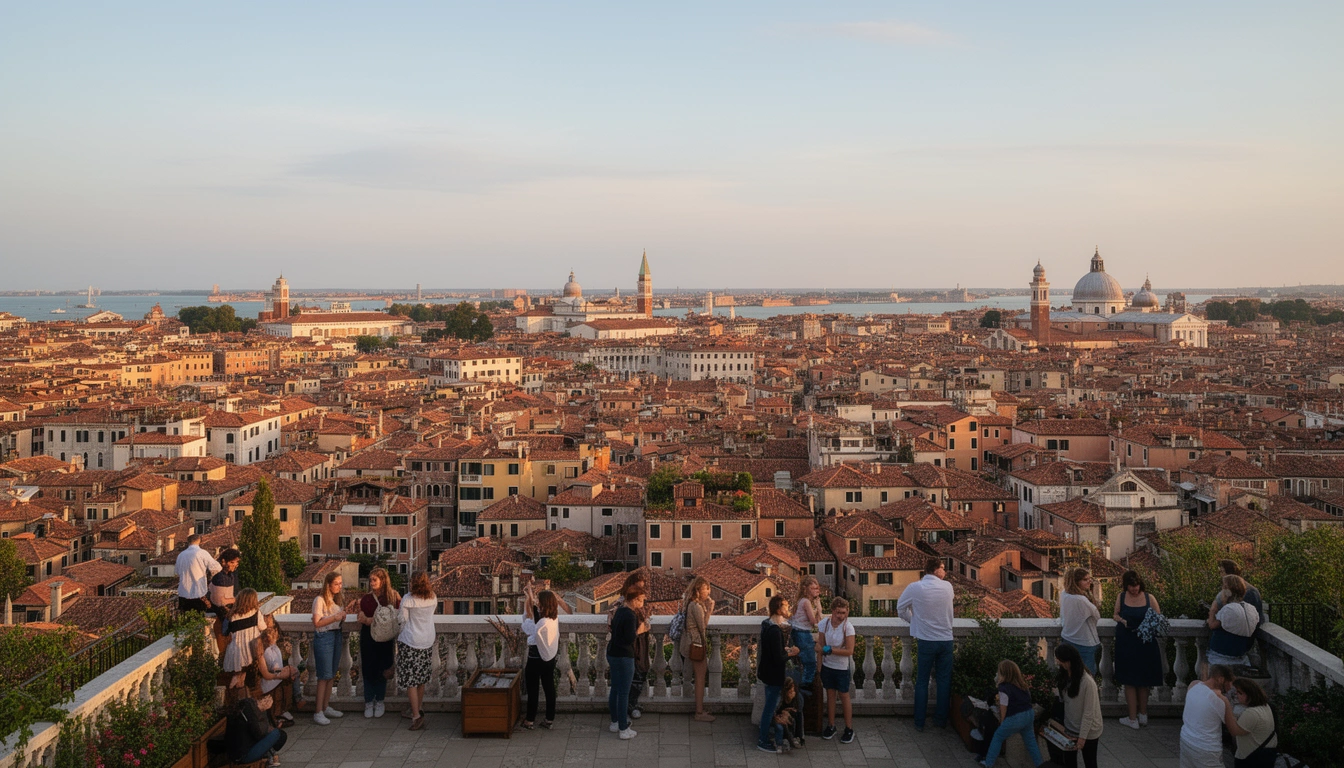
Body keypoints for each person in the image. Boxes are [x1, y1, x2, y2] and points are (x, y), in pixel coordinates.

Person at [898, 557, 955, 732]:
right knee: (944, 681)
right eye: (943, 568)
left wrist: (914, 620)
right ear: (935, 570)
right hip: (946, 640)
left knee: (922, 681)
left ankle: (920, 721)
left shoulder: (915, 587)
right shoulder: (948, 587)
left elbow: (900, 608)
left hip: (926, 640)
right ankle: (940, 720)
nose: (945, 572)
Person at [1112, 570, 1163, 729]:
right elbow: (1115, 615)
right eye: (1131, 586)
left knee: (1143, 681)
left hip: (1145, 643)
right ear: (1126, 585)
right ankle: (1134, 717)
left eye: (1136, 586)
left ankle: (1142, 715)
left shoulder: (1150, 598)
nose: (1134, 589)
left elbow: (1158, 617)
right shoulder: (1121, 597)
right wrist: (1123, 621)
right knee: (1129, 681)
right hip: (1127, 642)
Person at [979, 660, 1044, 768]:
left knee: (998, 736)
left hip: (1015, 717)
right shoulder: (1023, 685)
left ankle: (988, 763)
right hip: (1028, 714)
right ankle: (1040, 765)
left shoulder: (1004, 688)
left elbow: (1003, 707)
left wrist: (1002, 722)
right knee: (1031, 743)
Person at [757, 595, 801, 754]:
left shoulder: (767, 626)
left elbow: (774, 652)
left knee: (769, 706)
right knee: (770, 708)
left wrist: (786, 651)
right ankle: (762, 740)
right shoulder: (776, 630)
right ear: (778, 608)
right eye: (785, 605)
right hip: (774, 674)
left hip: (766, 672)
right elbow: (779, 658)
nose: (787, 608)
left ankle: (765, 736)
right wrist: (792, 653)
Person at [1050, 644, 1104, 768]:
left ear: (1069, 661)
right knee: (1069, 762)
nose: (1058, 663)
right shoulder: (1064, 676)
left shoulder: (1087, 682)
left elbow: (1088, 713)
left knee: (1090, 762)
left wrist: (1082, 738)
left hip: (1088, 732)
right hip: (1070, 728)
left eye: (1061, 660)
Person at [356, 567, 400, 719]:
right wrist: (366, 619)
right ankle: (369, 702)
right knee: (368, 669)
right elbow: (360, 615)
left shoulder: (393, 597)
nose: (371, 582)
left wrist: (369, 620)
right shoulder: (366, 599)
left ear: (383, 581)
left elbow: (397, 616)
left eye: (374, 579)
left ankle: (380, 701)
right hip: (368, 637)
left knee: (383, 669)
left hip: (385, 638)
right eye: (370, 580)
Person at [397, 571, 437, 731]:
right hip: (427, 640)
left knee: (410, 680)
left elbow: (402, 620)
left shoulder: (408, 599)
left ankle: (415, 716)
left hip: (411, 641)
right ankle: (417, 708)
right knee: (421, 679)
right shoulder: (432, 597)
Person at [607, 572, 650, 720]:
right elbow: (614, 627)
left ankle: (621, 714)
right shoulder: (622, 607)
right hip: (628, 648)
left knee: (638, 675)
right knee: (624, 686)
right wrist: (640, 629)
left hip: (636, 645)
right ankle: (623, 719)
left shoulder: (629, 608)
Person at [816, 597, 856, 744]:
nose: (841, 616)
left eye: (844, 613)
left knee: (844, 696)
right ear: (833, 611)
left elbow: (850, 651)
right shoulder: (824, 624)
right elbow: (819, 647)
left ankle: (849, 728)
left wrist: (830, 650)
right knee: (830, 695)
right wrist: (819, 667)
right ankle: (831, 725)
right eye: (839, 612)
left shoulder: (848, 627)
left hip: (841, 667)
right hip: (828, 666)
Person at [310, 571, 347, 726]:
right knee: (324, 675)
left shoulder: (336, 599)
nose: (340, 586)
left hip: (336, 635)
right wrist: (335, 617)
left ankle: (325, 706)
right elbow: (317, 622)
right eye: (336, 583)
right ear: (328, 584)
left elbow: (336, 619)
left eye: (340, 583)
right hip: (324, 637)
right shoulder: (319, 600)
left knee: (331, 673)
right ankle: (318, 711)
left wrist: (342, 616)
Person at [1180, 663, 1235, 768]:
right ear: (1221, 679)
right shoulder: (1218, 700)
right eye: (1228, 685)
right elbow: (1234, 730)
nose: (1228, 689)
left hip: (1186, 740)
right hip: (1207, 749)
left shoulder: (1193, 686)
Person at [521, 588, 561, 730]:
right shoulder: (553, 618)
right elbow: (534, 613)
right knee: (549, 688)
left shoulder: (541, 623)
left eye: (539, 602)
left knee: (533, 689)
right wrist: (530, 597)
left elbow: (527, 625)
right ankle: (549, 718)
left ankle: (530, 720)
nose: (538, 604)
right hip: (549, 658)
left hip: (535, 658)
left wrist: (528, 601)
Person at [678, 576, 715, 722]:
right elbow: (703, 627)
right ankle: (699, 713)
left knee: (699, 677)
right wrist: (710, 610)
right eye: (706, 589)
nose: (708, 591)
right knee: (700, 678)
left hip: (690, 642)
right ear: (699, 590)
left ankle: (700, 710)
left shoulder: (691, 604)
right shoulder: (696, 606)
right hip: (696, 643)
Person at [252, 619, 300, 724]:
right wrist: (280, 675)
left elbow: (275, 667)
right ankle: (288, 706)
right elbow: (267, 673)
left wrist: (283, 670)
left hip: (274, 673)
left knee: (293, 671)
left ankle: (294, 701)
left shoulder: (274, 648)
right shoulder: (263, 651)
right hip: (268, 679)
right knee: (289, 676)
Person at [1223, 678, 1278, 768]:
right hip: (1265, 754)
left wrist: (1226, 706)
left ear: (1249, 695)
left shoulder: (1251, 713)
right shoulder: (1265, 706)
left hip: (1250, 757)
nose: (1236, 695)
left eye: (1240, 693)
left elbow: (1234, 731)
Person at [1207, 575, 1259, 667]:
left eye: (1223, 587)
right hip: (1241, 656)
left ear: (1228, 591)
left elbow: (1212, 625)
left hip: (1221, 657)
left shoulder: (1228, 610)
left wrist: (1213, 610)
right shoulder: (1251, 609)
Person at [1059, 567, 1100, 675]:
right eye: (1085, 579)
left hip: (1067, 638)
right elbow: (1096, 615)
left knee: (1070, 675)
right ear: (1077, 582)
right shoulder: (1081, 600)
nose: (1089, 581)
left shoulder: (1064, 594)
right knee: (1086, 677)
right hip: (1084, 642)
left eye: (1089, 579)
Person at [225, 696, 287, 767]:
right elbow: (259, 734)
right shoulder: (249, 712)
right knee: (278, 734)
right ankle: (269, 756)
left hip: (235, 754)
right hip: (243, 756)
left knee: (277, 734)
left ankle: (269, 756)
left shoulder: (243, 708)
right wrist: (263, 712)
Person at [221, 588, 263, 693]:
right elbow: (263, 627)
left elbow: (224, 632)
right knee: (242, 679)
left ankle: (233, 699)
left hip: (235, 652)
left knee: (237, 677)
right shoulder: (256, 613)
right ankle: (239, 701)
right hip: (249, 650)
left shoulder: (231, 616)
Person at [175, 533, 221, 614]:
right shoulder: (202, 553)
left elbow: (177, 572)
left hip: (183, 593)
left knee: (185, 619)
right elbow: (217, 568)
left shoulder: (181, 555)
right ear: (199, 541)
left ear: (188, 542)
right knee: (199, 618)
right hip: (198, 592)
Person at [1214, 560, 1264, 629]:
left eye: (1222, 572)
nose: (1221, 575)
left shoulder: (1249, 591)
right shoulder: (1231, 590)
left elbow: (1246, 618)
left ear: (1231, 574)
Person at [791, 576, 822, 689]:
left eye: (817, 588)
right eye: (813, 588)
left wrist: (818, 609)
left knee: (803, 662)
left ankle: (802, 686)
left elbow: (817, 620)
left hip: (799, 632)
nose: (817, 591)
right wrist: (819, 608)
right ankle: (805, 688)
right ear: (806, 589)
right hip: (802, 633)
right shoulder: (806, 602)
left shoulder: (803, 601)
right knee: (810, 663)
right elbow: (814, 622)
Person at [209, 548, 242, 633]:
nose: (235, 565)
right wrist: (235, 600)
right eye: (232, 562)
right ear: (224, 562)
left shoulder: (230, 575)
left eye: (237, 562)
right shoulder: (220, 578)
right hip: (221, 612)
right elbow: (220, 602)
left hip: (229, 609)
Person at [775, 677, 803, 750]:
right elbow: (775, 710)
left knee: (798, 717)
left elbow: (798, 710)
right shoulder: (780, 697)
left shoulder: (798, 698)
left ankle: (797, 737)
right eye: (790, 692)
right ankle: (785, 739)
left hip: (791, 715)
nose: (792, 693)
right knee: (782, 724)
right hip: (780, 715)